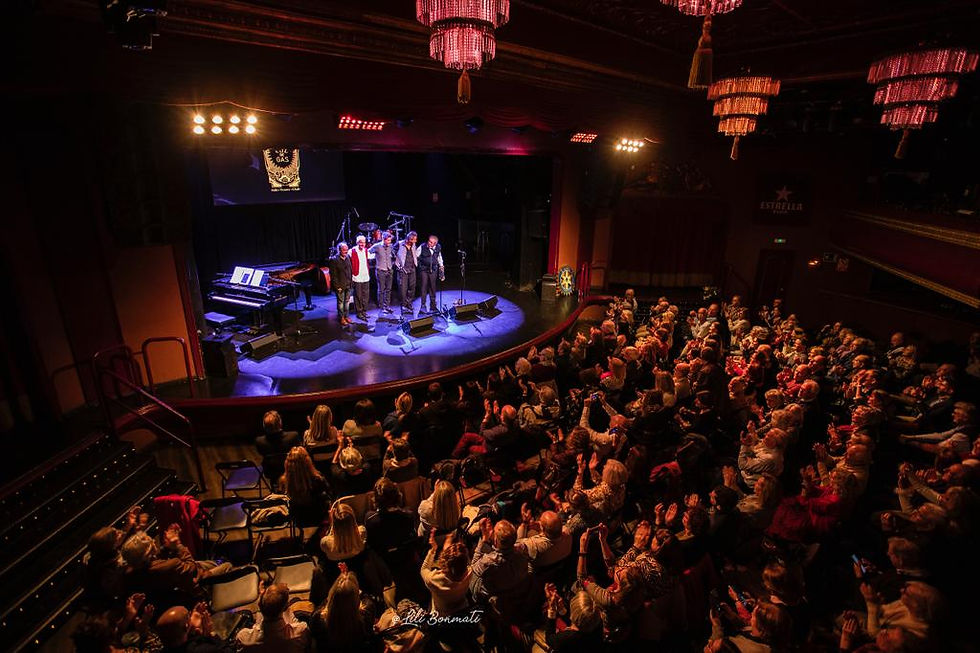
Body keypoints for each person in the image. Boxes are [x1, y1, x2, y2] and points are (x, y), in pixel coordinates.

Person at [236, 582, 310, 652]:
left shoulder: (243, 638)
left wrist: (262, 598)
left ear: (259, 605)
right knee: (295, 600)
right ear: (285, 607)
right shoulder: (301, 630)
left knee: (246, 613)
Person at [279, 447, 330, 527]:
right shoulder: (318, 480)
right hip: (318, 517)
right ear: (308, 462)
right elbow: (328, 494)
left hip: (297, 519)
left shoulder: (284, 482)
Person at [255, 410, 301, 484]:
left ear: (264, 426)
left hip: (271, 472)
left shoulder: (259, 441)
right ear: (280, 423)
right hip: (291, 470)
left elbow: (261, 452)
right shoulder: (293, 436)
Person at [368, 230, 396, 314]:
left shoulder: (390, 246)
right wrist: (374, 258)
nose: (390, 242)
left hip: (389, 270)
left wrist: (392, 264)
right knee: (381, 289)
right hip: (381, 271)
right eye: (388, 240)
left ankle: (387, 306)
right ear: (383, 239)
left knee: (389, 289)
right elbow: (368, 252)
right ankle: (382, 306)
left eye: (390, 240)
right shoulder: (377, 246)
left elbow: (393, 255)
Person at [417, 234, 445, 315]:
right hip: (424, 270)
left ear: (435, 243)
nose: (429, 243)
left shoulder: (438, 247)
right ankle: (423, 305)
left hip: (433, 270)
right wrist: (419, 265)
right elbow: (416, 256)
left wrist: (441, 266)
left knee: (432, 287)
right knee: (424, 287)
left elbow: (439, 257)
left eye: (431, 242)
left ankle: (433, 306)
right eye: (429, 241)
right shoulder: (422, 246)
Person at [395, 231, 421, 316]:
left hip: (412, 269)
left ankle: (409, 303)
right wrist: (397, 264)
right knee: (403, 288)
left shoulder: (413, 245)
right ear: (409, 239)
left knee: (412, 287)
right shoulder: (400, 244)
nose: (415, 241)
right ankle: (404, 305)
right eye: (414, 239)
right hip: (403, 270)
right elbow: (392, 253)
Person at [328, 241, 353, 326]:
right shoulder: (334, 260)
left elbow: (350, 270)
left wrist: (351, 282)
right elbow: (333, 275)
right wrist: (337, 286)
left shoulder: (348, 257)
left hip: (348, 284)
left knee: (347, 302)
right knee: (341, 303)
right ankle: (341, 317)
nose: (346, 251)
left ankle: (347, 316)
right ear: (339, 250)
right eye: (344, 250)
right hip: (340, 286)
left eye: (347, 249)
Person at [350, 235, 371, 320]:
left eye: (364, 242)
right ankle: (359, 312)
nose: (362, 244)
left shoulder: (366, 250)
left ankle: (364, 311)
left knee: (366, 295)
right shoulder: (352, 251)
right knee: (358, 295)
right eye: (361, 242)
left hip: (365, 276)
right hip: (357, 276)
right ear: (357, 242)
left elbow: (371, 256)